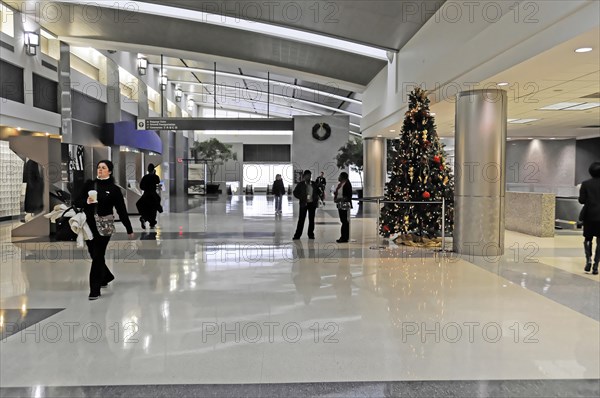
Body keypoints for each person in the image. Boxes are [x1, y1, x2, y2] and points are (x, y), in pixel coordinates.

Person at [75, 160, 134, 300]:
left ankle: (94, 289)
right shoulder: (90, 185)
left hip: (105, 225)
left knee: (98, 254)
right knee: (93, 252)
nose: (100, 170)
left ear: (110, 171)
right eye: (98, 167)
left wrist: (129, 228)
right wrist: (86, 202)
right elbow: (77, 201)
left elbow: (121, 210)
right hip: (89, 225)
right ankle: (107, 275)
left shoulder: (114, 189)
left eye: (103, 168)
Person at [579, 161, 600, 275]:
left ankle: (588, 260)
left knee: (588, 238)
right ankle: (596, 265)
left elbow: (581, 200)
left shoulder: (586, 184)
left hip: (589, 216)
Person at [292, 170, 320, 240]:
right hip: (303, 204)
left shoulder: (314, 184)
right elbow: (295, 192)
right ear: (304, 176)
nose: (309, 177)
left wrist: (317, 198)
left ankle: (311, 234)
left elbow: (318, 192)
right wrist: (301, 197)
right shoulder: (300, 184)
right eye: (307, 176)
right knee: (301, 219)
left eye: (310, 176)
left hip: (312, 204)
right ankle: (297, 235)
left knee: (311, 220)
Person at [137, 163, 162, 229]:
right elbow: (158, 182)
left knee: (142, 206)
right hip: (153, 195)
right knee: (153, 209)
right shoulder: (155, 177)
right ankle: (152, 222)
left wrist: (146, 188)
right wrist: (154, 174)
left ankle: (144, 218)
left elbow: (141, 186)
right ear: (153, 170)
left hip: (146, 195)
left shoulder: (145, 177)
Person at [334, 172, 353, 243]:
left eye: (340, 176)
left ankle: (344, 237)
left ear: (343, 177)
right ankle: (344, 237)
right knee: (343, 221)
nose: (338, 177)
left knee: (344, 221)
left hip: (345, 205)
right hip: (340, 205)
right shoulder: (341, 184)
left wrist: (340, 199)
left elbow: (348, 196)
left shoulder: (347, 184)